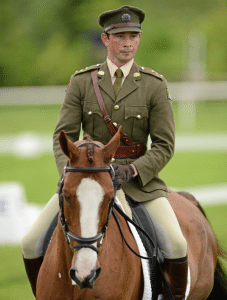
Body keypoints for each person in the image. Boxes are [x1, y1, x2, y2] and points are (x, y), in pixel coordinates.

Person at [22, 5, 188, 299]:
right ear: (105, 39)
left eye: (133, 35)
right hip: (87, 180)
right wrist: (72, 176)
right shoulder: (82, 82)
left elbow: (165, 145)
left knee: (176, 244)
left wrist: (134, 169)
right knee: (30, 241)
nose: (128, 42)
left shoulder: (154, 85)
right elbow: (63, 137)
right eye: (120, 35)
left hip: (138, 183)